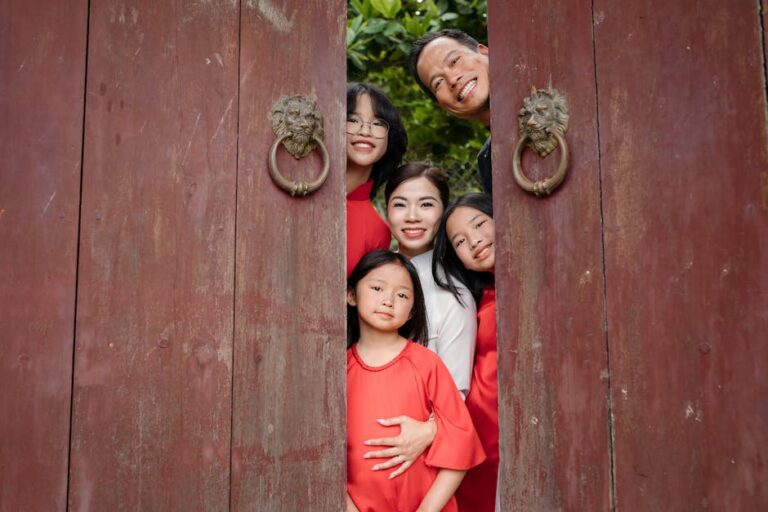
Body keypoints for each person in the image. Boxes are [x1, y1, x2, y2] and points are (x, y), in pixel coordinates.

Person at [346, 250, 486, 512]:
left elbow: (461, 447)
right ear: (351, 295)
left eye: (402, 295)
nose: (388, 300)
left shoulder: (427, 364)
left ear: (412, 311)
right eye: (377, 288)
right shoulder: (337, 370)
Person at [384, 162, 477, 397]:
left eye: (426, 204)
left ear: (444, 211)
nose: (412, 216)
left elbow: (455, 395)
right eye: (400, 204)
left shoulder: (455, 297)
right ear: (387, 210)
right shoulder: (370, 278)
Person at [433, 193, 498, 512]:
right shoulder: (473, 301)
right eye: (460, 241)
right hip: (479, 435)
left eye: (480, 224)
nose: (474, 240)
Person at [409, 30, 493, 195]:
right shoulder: (488, 161)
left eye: (454, 61)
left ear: (485, 52)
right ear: (442, 105)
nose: (452, 79)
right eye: (438, 82)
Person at [346, 83, 407, 277]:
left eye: (378, 123)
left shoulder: (378, 230)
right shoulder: (299, 191)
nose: (365, 131)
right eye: (352, 120)